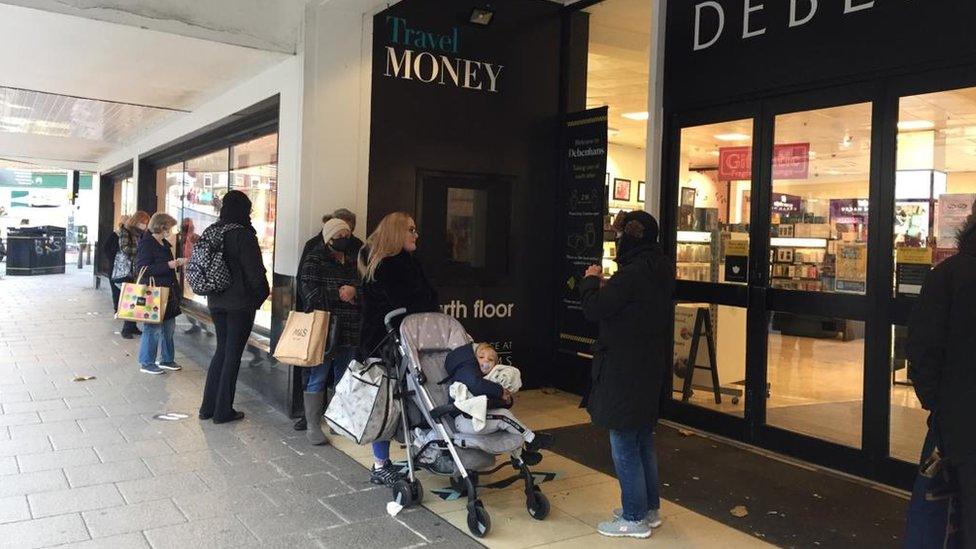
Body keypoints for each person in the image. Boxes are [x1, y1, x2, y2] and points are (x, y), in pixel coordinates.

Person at [580, 210, 674, 540]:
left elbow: (594, 309)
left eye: (620, 235)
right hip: (649, 366)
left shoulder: (630, 275)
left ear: (630, 238)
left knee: (623, 441)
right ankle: (649, 508)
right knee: (643, 439)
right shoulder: (660, 269)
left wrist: (591, 281)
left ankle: (634, 518)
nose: (617, 241)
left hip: (623, 368)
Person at [907, 209, 976, 547]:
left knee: (950, 510)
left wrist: (939, 406)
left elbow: (922, 350)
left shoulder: (948, 276)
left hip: (960, 422)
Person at [359, 212, 438, 485]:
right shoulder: (388, 267)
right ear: (396, 233)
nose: (417, 235)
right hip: (389, 346)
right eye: (411, 230)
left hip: (402, 344)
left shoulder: (402, 263)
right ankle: (381, 464)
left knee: (400, 402)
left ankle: (394, 458)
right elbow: (406, 307)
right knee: (388, 404)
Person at [199, 191, 270, 424]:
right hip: (239, 305)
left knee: (221, 351)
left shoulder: (213, 230)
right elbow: (255, 274)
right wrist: (259, 298)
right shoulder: (243, 235)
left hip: (216, 301)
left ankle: (208, 407)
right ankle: (223, 411)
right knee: (233, 356)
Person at [294, 208, 364, 431]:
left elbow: (365, 288)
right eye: (339, 237)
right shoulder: (314, 259)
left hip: (351, 328)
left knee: (344, 376)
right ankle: (313, 424)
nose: (344, 240)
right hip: (324, 329)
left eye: (347, 236)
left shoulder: (355, 260)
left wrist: (355, 294)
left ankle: (336, 420)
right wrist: (340, 294)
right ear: (328, 238)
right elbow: (310, 294)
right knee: (318, 375)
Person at [442, 343, 551, 453]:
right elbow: (475, 387)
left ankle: (520, 455)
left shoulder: (489, 380)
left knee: (506, 421)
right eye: (481, 357)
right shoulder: (466, 371)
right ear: (474, 359)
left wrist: (506, 400)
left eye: (491, 360)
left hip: (476, 419)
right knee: (503, 416)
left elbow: (490, 403)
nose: (485, 361)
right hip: (464, 419)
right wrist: (500, 392)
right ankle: (532, 439)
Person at [134, 213, 185, 375]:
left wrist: (175, 264)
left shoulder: (163, 243)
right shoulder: (147, 244)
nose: (170, 231)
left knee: (169, 328)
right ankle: (147, 362)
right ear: (162, 227)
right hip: (154, 293)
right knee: (153, 328)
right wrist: (168, 265)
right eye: (169, 228)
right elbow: (142, 269)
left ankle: (167, 359)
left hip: (168, 292)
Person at [116, 212, 149, 339]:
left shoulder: (142, 234)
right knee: (130, 299)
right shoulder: (126, 231)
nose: (144, 225)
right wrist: (141, 250)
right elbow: (125, 248)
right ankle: (126, 328)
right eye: (143, 222)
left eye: (146, 222)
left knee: (136, 298)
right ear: (137, 220)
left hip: (138, 270)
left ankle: (132, 325)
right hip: (129, 270)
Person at [178, 218, 209, 336]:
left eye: (189, 227)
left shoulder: (195, 238)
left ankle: (202, 325)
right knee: (189, 299)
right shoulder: (181, 238)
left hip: (194, 270)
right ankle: (196, 324)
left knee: (193, 299)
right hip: (186, 271)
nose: (187, 230)